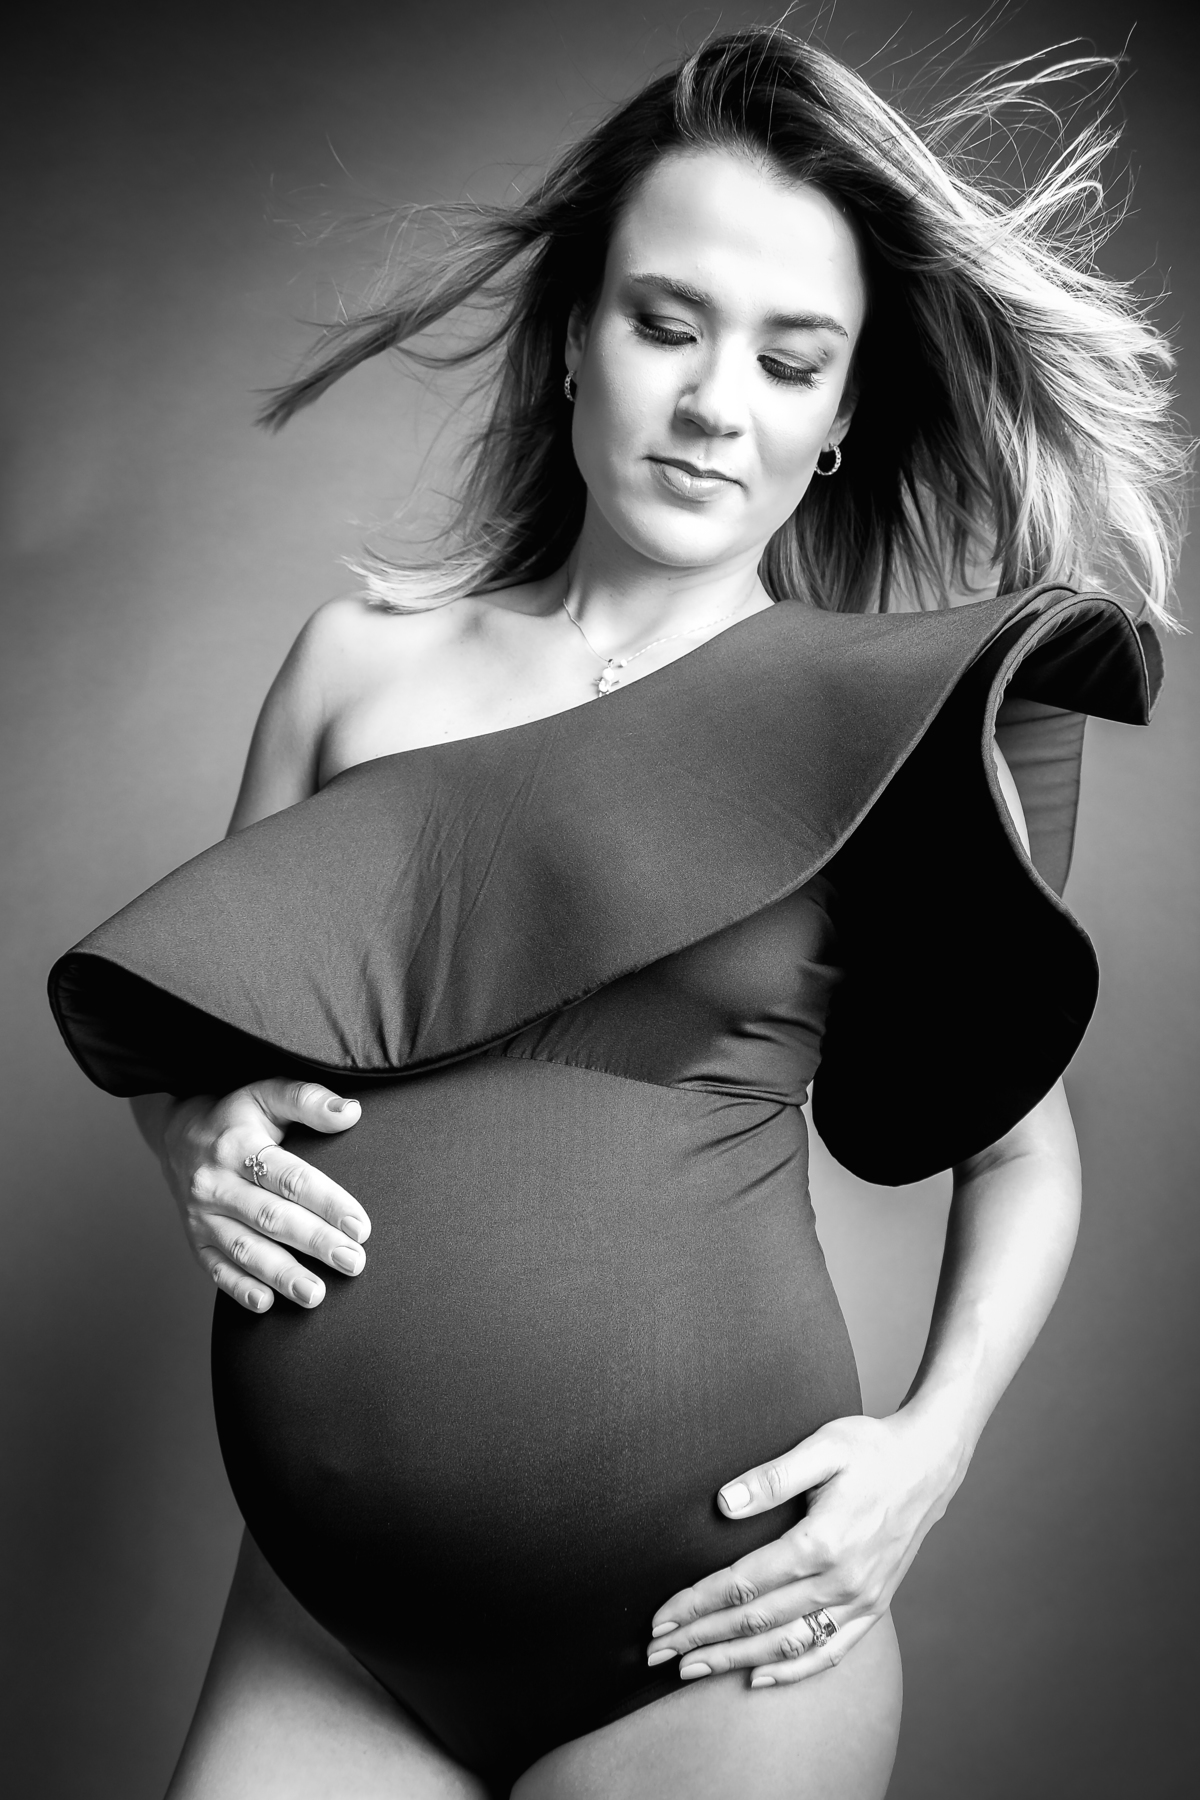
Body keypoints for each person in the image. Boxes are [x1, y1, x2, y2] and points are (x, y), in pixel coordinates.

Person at [48, 26, 1185, 1800]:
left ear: (837, 421)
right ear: (574, 334)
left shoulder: (881, 729)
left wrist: (931, 1449)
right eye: (667, 325)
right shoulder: (354, 669)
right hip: (329, 1634)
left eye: (789, 363)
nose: (718, 403)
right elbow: (198, 1050)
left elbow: (1026, 1158)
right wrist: (196, 1141)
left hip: (723, 1654)